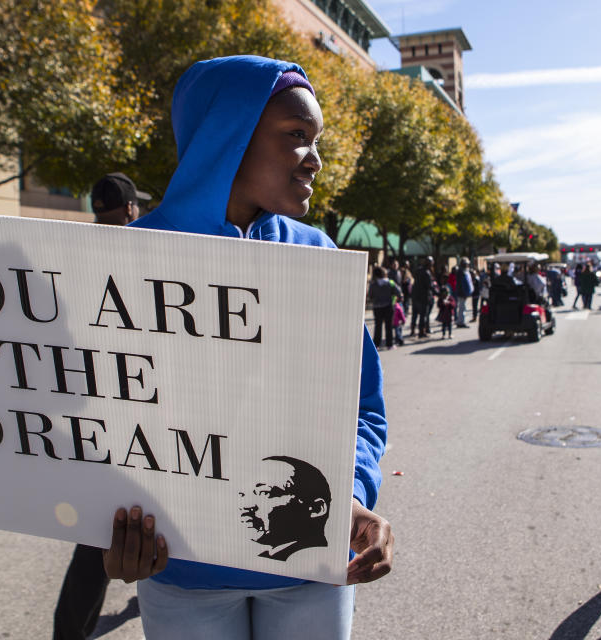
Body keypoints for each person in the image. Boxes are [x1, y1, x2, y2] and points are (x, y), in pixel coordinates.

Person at [102, 55, 392, 640]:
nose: (315, 159)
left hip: (307, 566)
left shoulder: (320, 256)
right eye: (295, 137)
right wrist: (103, 537)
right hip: (180, 572)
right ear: (226, 135)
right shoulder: (123, 260)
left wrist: (352, 492)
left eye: (316, 141)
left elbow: (362, 408)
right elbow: (89, 420)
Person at [52, 171, 145, 640]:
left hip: (92, 423)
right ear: (130, 208)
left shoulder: (72, 255)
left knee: (94, 542)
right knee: (152, 528)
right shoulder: (149, 250)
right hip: (145, 418)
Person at [239, 456, 331, 561]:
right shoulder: (266, 559)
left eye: (265, 493)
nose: (246, 505)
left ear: (316, 508)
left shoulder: (315, 564)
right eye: (243, 495)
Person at [367, 265, 401, 349]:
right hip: (388, 306)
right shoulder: (390, 282)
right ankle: (389, 344)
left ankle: (376, 344)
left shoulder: (373, 284)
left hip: (377, 307)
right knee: (388, 326)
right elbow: (398, 292)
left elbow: (370, 296)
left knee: (378, 326)